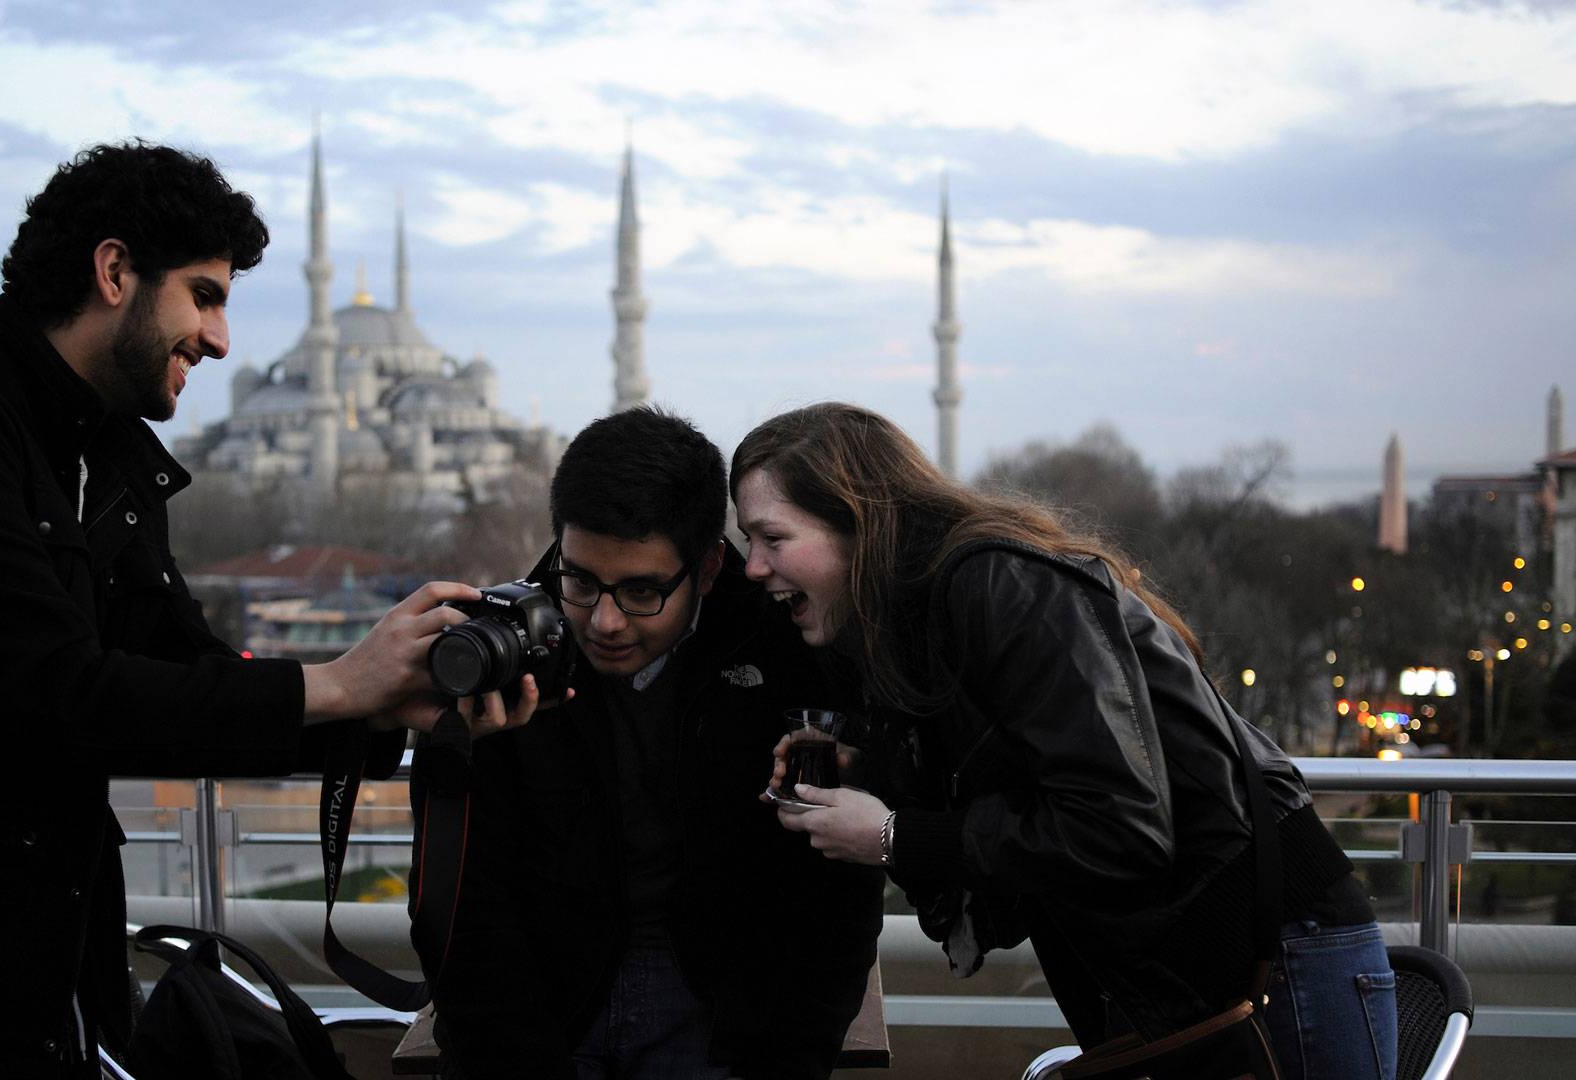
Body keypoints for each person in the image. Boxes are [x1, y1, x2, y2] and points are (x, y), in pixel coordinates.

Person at [0, 143, 541, 1079]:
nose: (220, 340)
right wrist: (331, 681)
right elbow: (56, 694)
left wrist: (381, 705)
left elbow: (178, 681)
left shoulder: (107, 458)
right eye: (204, 295)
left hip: (43, 984)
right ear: (114, 271)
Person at [733, 402, 1395, 1080]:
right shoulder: (925, 615)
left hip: (1277, 955)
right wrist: (874, 775)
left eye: (772, 538)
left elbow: (1120, 827)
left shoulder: (995, 586)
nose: (754, 567)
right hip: (1199, 971)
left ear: (857, 521)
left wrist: (893, 835)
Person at [410, 406, 882, 1080]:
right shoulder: (507, 648)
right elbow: (461, 898)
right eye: (579, 581)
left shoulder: (790, 650)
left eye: (641, 591)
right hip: (543, 1002)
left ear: (710, 567)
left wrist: (787, 1058)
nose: (603, 621)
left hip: (724, 1014)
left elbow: (831, 897)